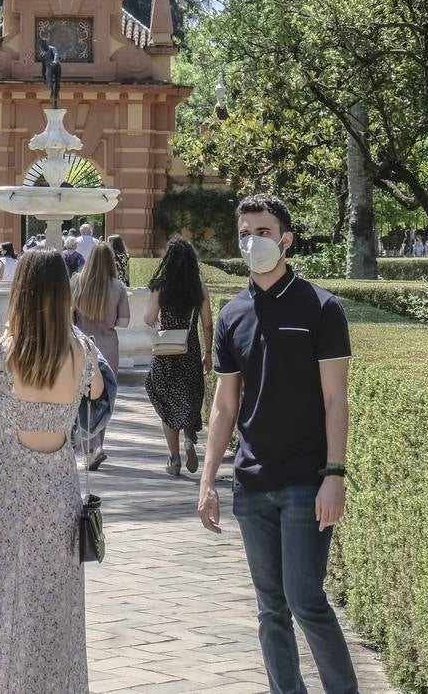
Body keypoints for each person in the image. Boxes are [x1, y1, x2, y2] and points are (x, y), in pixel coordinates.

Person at [199, 193, 359, 694]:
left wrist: (335, 474)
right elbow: (225, 406)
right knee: (271, 607)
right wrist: (207, 480)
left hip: (305, 479)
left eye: (263, 232)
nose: (253, 242)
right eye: (245, 233)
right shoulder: (232, 315)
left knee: (306, 598)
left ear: (286, 239)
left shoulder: (321, 308)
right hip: (252, 482)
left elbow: (337, 399)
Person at [0, 250, 104, 694]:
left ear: (21, 290)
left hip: (7, 494)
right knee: (54, 605)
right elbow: (97, 389)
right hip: (58, 497)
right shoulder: (82, 351)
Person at [144, 236, 213, 477]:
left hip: (165, 352)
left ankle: (174, 459)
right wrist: (207, 353)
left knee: (166, 405)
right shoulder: (198, 288)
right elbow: (207, 325)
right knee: (189, 397)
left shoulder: (161, 287)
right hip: (190, 350)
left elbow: (149, 319)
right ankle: (188, 440)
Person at [72, 242, 130, 470]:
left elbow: (68, 313)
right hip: (108, 345)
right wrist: (108, 321)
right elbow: (124, 321)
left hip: (82, 344)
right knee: (105, 397)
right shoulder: (118, 286)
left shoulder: (77, 281)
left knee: (80, 397)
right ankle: (98, 446)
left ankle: (91, 448)